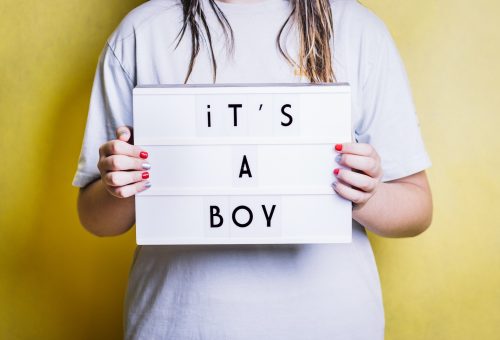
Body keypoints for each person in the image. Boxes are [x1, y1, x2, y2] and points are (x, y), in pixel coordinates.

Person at [72, 0, 433, 338]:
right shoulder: (142, 33)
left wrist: (365, 196)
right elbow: (94, 217)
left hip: (330, 324)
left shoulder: (357, 30)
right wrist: (122, 185)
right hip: (180, 323)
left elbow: (417, 207)